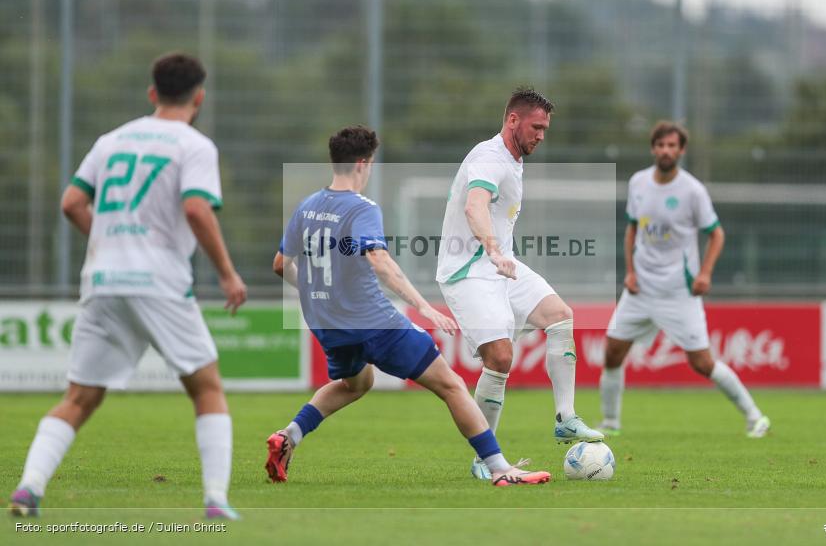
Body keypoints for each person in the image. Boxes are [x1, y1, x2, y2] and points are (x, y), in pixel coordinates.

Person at [8, 54, 247, 519]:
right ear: (199, 97)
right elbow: (197, 209)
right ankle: (216, 501)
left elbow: (72, 203)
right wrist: (226, 273)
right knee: (206, 387)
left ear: (152, 94)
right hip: (157, 279)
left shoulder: (110, 141)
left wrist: (109, 240)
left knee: (78, 397)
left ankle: (27, 488)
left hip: (102, 278)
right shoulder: (194, 145)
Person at [265, 126, 550, 487]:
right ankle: (499, 468)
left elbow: (280, 264)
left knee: (356, 382)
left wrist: (315, 290)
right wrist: (423, 308)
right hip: (373, 322)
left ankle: (288, 436)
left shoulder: (306, 208)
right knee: (451, 385)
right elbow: (379, 261)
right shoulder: (361, 208)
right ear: (362, 164)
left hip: (326, 323)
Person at [436, 87, 603, 481]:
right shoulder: (489, 158)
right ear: (513, 120)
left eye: (545, 129)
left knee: (561, 317)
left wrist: (499, 255)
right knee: (500, 358)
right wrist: (493, 248)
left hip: (501, 266)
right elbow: (474, 205)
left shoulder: (513, 159)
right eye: (536, 127)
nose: (541, 135)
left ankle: (565, 418)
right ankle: (486, 457)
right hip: (469, 270)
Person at [598, 121, 770, 439]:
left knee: (702, 363)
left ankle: (755, 417)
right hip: (640, 289)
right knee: (612, 352)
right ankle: (610, 423)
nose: (666, 151)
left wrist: (705, 273)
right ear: (653, 149)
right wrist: (631, 272)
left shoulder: (692, 191)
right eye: (660, 145)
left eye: (672, 146)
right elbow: (632, 229)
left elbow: (716, 234)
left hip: (678, 291)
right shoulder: (638, 183)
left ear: (681, 150)